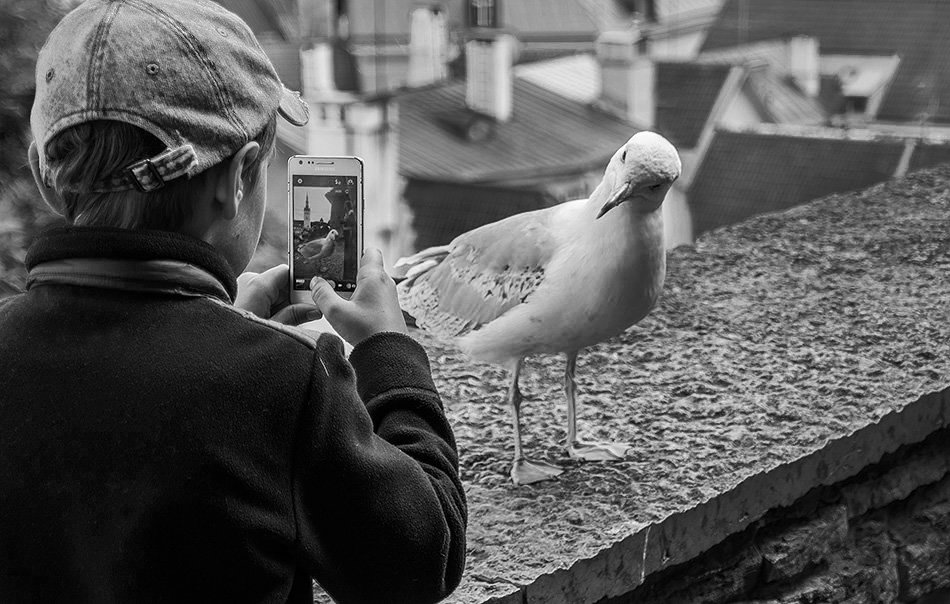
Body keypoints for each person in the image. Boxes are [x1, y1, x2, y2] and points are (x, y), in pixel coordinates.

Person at [0, 1, 466, 603]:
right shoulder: (281, 381)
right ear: (237, 179)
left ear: (46, 174)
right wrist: (390, 350)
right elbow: (421, 558)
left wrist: (220, 323)